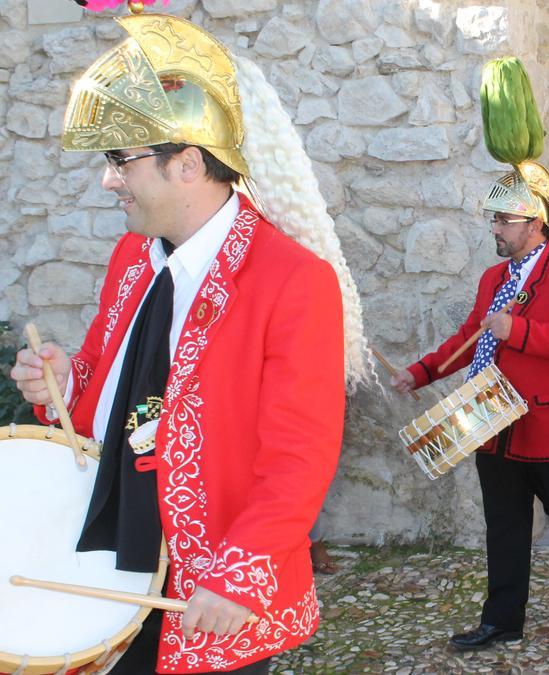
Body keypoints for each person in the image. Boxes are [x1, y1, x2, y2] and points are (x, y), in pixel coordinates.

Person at [10, 12, 368, 673]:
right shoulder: (128, 258)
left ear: (189, 163)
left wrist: (240, 571)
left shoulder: (294, 280)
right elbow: (108, 404)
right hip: (110, 571)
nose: (108, 180)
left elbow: (300, 454)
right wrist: (64, 382)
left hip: (210, 591)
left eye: (121, 160)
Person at [390, 58, 549, 651]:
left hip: (546, 420)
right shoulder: (493, 277)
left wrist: (515, 329)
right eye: (494, 218)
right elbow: (469, 337)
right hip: (490, 420)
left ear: (535, 225)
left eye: (505, 219)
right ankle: (502, 621)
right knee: (505, 524)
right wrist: (420, 373)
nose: (496, 227)